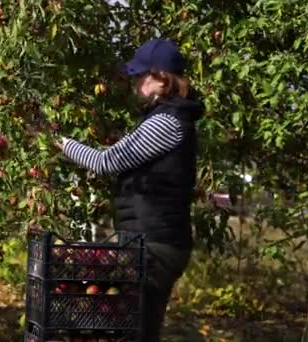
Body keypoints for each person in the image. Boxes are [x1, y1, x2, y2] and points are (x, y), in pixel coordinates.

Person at [55, 38, 204, 341]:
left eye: (139, 76)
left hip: (155, 245)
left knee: (135, 331)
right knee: (134, 328)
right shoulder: (167, 117)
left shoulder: (166, 122)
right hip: (153, 240)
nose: (134, 83)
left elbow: (106, 161)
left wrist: (59, 142)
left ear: (161, 80)